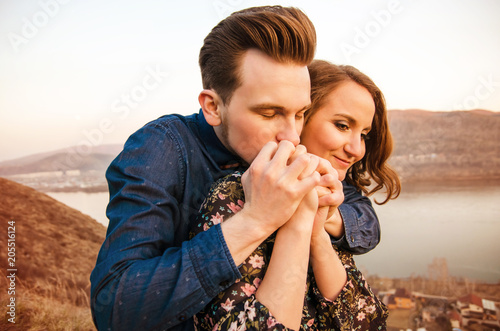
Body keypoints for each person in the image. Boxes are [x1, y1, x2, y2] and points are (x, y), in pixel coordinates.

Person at [90, 6, 381, 331]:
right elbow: (116, 310)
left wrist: (328, 214)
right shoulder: (163, 148)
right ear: (213, 106)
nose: (292, 135)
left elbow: (364, 220)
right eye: (269, 113)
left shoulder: (287, 149)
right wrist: (257, 219)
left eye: (300, 113)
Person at [190, 60, 401, 330]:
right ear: (301, 117)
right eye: (342, 125)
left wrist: (318, 231)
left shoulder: (327, 197)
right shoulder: (234, 194)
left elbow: (368, 322)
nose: (357, 149)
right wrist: (299, 220)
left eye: (364, 134)